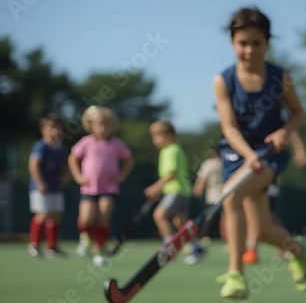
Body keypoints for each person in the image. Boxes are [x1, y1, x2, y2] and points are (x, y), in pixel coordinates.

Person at [213, 6, 306, 300]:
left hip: (271, 153)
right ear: (232, 43)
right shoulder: (223, 81)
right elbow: (230, 129)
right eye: (242, 43)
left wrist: (284, 131)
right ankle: (299, 249)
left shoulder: (280, 78)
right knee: (262, 230)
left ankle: (235, 275)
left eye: (256, 43)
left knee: (231, 196)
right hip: (237, 155)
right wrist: (247, 155)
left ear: (268, 43)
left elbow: (297, 113)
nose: (249, 50)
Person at [68, 106, 134, 267]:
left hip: (108, 188)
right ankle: (86, 238)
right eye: (99, 124)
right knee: (86, 219)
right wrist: (78, 176)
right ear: (92, 125)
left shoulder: (115, 143)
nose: (103, 128)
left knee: (103, 217)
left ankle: (99, 251)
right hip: (89, 188)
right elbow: (73, 158)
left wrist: (121, 176)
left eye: (106, 124)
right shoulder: (87, 142)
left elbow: (129, 159)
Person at [242, 130, 306, 264]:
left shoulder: (273, 113)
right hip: (249, 167)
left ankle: (293, 248)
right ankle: (253, 249)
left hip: (268, 169)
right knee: (255, 214)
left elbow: (290, 128)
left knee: (266, 217)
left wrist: (300, 150)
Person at [144, 120, 204, 260]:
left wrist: (155, 187)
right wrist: (160, 189)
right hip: (179, 191)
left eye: (160, 135)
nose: (156, 140)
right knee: (181, 224)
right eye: (154, 136)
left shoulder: (171, 150)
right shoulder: (169, 150)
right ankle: (197, 248)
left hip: (176, 191)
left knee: (159, 215)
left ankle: (169, 246)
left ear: (171, 135)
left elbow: (172, 174)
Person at [27, 113, 69, 258]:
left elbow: (63, 167)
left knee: (55, 216)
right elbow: (33, 165)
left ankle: (53, 247)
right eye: (52, 128)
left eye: (58, 128)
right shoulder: (40, 146)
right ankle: (34, 245)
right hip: (41, 188)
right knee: (43, 214)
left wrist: (66, 175)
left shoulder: (60, 148)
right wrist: (39, 182)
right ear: (43, 129)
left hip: (55, 187)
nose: (55, 131)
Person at [184, 148, 224, 264]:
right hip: (228, 197)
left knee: (208, 224)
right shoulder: (226, 162)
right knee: (225, 221)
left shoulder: (208, 164)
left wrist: (197, 189)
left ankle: (199, 249)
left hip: (213, 198)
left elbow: (201, 180)